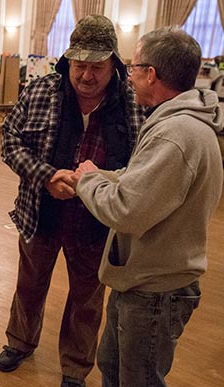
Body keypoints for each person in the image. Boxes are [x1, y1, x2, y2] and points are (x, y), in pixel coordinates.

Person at [0, 15, 144, 387]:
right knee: (28, 286)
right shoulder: (41, 90)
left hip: (98, 224)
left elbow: (145, 164)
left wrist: (102, 184)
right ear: (67, 61)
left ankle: (76, 368)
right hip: (40, 214)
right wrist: (46, 175)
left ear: (115, 65)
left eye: (97, 66)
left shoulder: (133, 102)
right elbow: (10, 142)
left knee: (87, 302)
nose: (87, 75)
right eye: (80, 65)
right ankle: (20, 341)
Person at [72, 26, 223, 387]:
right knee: (114, 367)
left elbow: (127, 210)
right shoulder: (176, 123)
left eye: (134, 67)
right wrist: (104, 176)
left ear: (151, 74)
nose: (131, 76)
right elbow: (140, 179)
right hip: (143, 281)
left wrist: (87, 179)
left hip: (156, 289)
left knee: (138, 379)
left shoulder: (176, 134)